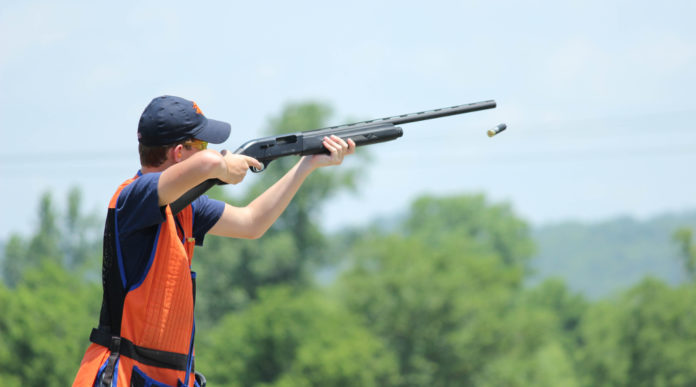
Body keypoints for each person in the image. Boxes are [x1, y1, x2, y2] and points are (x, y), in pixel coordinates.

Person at [72, 95, 355, 387]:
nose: (210, 151)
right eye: (202, 144)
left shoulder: (185, 207)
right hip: (122, 378)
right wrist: (224, 167)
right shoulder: (133, 198)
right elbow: (208, 165)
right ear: (179, 152)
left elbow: (252, 222)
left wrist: (306, 166)